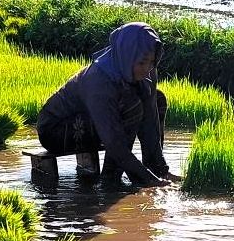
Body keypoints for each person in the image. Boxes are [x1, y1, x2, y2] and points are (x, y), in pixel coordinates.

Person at [36, 21, 174, 188]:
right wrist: (148, 181)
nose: (147, 68)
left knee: (157, 99)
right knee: (131, 107)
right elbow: (114, 143)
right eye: (142, 63)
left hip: (97, 121)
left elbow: (151, 120)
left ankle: (155, 169)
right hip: (55, 129)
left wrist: (159, 172)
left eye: (152, 62)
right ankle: (110, 179)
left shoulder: (148, 71)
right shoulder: (98, 81)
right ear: (128, 55)